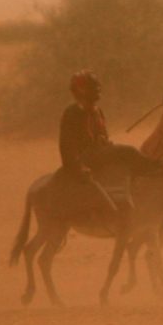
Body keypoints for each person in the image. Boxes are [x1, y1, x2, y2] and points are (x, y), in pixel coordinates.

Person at [55, 70, 120, 224]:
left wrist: (104, 142)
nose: (98, 90)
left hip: (99, 156)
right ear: (82, 91)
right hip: (83, 161)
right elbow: (67, 146)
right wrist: (78, 167)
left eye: (98, 86)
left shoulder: (98, 111)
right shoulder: (71, 113)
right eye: (93, 87)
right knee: (128, 151)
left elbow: (103, 135)